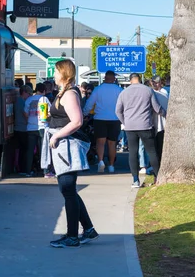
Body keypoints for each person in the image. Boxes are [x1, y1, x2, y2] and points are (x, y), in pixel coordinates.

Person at [41, 59, 98, 248]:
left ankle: (72, 236)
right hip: (62, 144)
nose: (54, 74)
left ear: (64, 73)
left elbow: (77, 121)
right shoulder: (63, 93)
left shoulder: (70, 94)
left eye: (56, 71)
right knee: (69, 190)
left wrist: (56, 135)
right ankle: (88, 229)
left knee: (68, 190)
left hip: (68, 146)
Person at [116, 73, 165, 188]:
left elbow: (118, 111)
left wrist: (125, 122)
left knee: (133, 153)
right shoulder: (148, 90)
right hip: (145, 125)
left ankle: (135, 180)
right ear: (139, 79)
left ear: (130, 80)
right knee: (152, 152)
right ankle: (158, 177)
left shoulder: (123, 93)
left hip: (130, 127)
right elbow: (157, 108)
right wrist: (166, 114)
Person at [82, 70, 123, 173]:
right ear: (114, 79)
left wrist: (85, 113)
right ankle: (111, 165)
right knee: (112, 143)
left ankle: (100, 161)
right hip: (114, 118)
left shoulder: (98, 89)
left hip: (100, 118)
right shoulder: (119, 90)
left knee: (100, 142)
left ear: (105, 78)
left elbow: (90, 103)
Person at [23, 83, 48, 175]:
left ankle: (28, 171)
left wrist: (30, 120)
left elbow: (25, 113)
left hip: (30, 127)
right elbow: (48, 113)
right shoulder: (45, 99)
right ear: (44, 91)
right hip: (42, 127)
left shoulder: (29, 99)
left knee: (30, 150)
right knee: (43, 150)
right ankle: (45, 171)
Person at [14, 85, 32, 175]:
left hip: (18, 128)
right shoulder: (22, 102)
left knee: (21, 149)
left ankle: (20, 168)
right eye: (28, 94)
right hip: (22, 129)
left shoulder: (18, 101)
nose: (29, 96)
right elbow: (25, 115)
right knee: (24, 150)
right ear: (24, 92)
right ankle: (22, 169)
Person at [151, 75, 169, 164]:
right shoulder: (150, 92)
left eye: (157, 82)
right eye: (153, 82)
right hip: (152, 122)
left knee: (161, 144)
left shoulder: (164, 92)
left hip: (163, 122)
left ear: (160, 83)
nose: (155, 84)